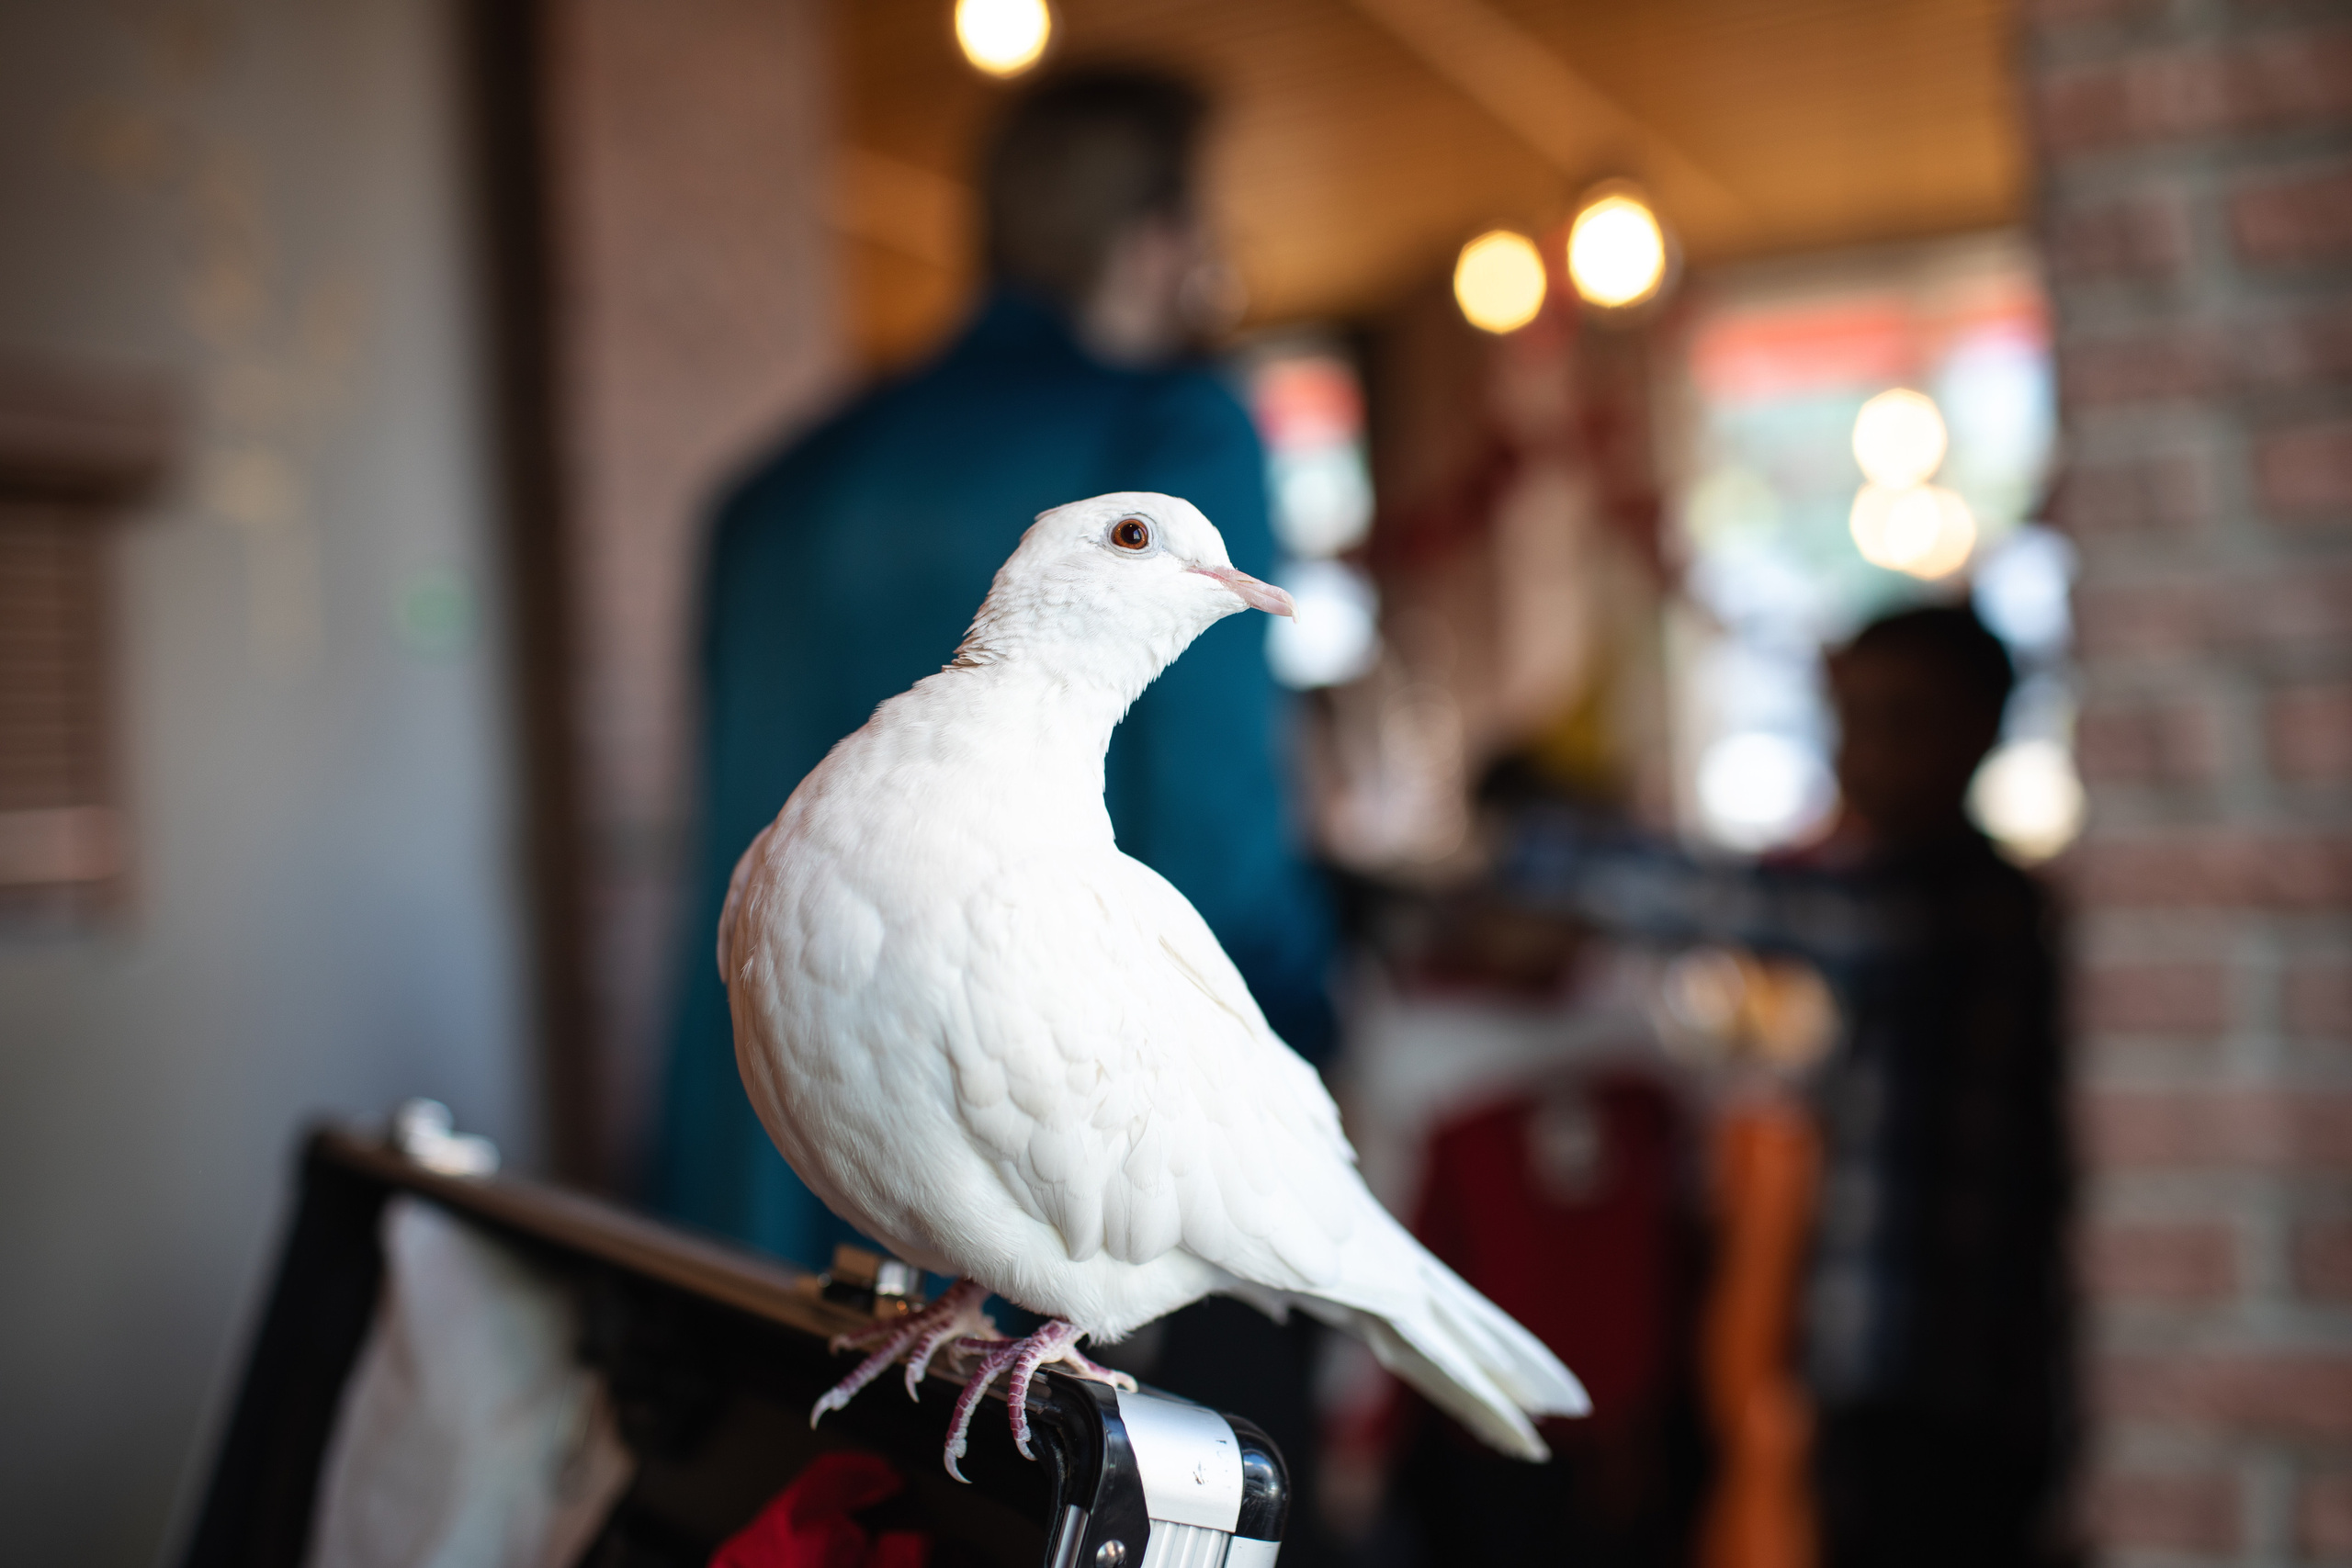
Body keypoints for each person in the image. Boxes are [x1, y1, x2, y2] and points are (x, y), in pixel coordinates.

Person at [655, 66, 1335, 1278]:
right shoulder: (1178, 437)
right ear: (1156, 240)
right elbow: (1220, 826)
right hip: (1039, 1183)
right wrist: (1293, 1042)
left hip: (745, 1162)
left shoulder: (766, 492)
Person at [1795, 604, 2074, 1568]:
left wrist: (1513, 857)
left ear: (1980, 730)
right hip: (1892, 1383)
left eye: (1898, 718)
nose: (1859, 750)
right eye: (1848, 717)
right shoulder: (1917, 893)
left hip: (1955, 1386)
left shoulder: (1960, 904)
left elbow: (1745, 901)